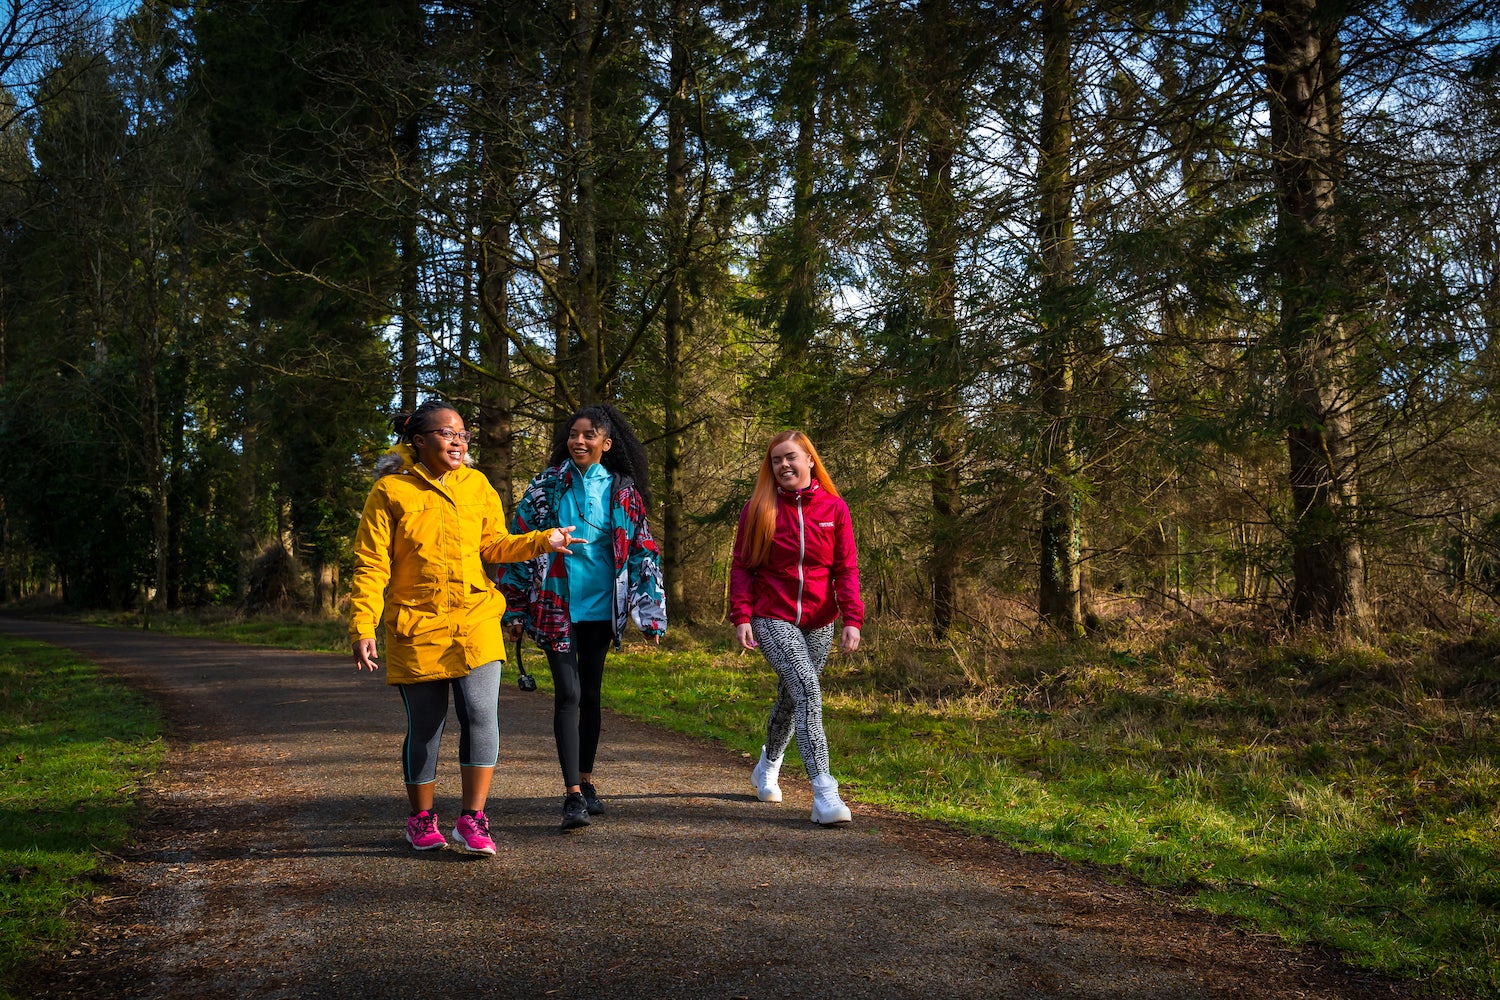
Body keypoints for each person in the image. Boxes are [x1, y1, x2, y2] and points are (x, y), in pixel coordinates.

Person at [349, 399, 579, 855]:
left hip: (475, 618)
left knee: (481, 714)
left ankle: (472, 820)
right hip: (418, 625)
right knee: (427, 725)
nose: (458, 440)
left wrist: (543, 540)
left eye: (462, 434)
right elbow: (371, 563)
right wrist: (363, 625)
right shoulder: (390, 492)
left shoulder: (478, 486)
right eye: (446, 432)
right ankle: (421, 818)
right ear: (419, 440)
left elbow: (493, 546)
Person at [500, 404, 666, 833]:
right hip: (556, 606)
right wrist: (514, 606)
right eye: (574, 434)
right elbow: (517, 544)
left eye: (589, 435)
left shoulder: (623, 491)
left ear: (606, 444)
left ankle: (588, 782)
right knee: (568, 694)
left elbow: (643, 551)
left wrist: (650, 615)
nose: (579, 441)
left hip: (602, 609)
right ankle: (572, 794)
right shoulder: (546, 486)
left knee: (591, 694)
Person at [730, 430, 864, 826]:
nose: (784, 465)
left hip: (820, 620)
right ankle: (825, 792)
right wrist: (741, 615)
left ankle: (767, 766)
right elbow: (742, 566)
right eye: (776, 460)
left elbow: (846, 568)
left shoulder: (834, 508)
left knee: (793, 698)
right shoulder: (758, 508)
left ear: (809, 459)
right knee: (808, 692)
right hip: (772, 615)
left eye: (791, 457)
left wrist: (852, 618)